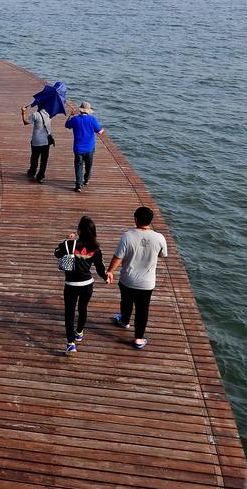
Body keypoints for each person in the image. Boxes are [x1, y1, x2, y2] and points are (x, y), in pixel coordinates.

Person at [106, 206, 168, 349]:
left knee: (126, 301)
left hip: (127, 279)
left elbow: (118, 257)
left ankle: (124, 322)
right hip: (147, 283)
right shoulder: (159, 237)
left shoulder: (127, 236)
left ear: (135, 219)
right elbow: (163, 254)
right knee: (142, 309)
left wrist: (109, 271)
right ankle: (139, 339)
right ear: (150, 221)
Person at [56, 216, 107, 356]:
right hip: (87, 284)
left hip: (71, 284)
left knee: (69, 313)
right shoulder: (95, 249)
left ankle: (71, 344)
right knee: (83, 308)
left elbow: (56, 254)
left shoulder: (70, 244)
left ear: (79, 231)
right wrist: (105, 277)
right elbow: (100, 268)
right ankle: (79, 332)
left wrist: (67, 240)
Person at [64, 101, 104, 192]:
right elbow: (99, 132)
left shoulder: (75, 119)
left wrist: (70, 115)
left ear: (80, 110)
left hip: (78, 148)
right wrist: (103, 130)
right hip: (89, 147)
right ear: (88, 111)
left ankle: (78, 185)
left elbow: (66, 125)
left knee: (78, 166)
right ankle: (86, 179)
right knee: (89, 165)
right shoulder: (92, 119)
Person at [20, 103, 53, 183]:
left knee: (34, 157)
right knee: (44, 160)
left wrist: (23, 112)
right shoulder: (50, 114)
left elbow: (25, 122)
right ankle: (40, 176)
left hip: (36, 140)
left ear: (38, 106)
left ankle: (32, 171)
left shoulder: (35, 115)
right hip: (46, 141)